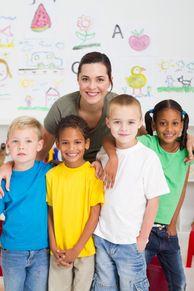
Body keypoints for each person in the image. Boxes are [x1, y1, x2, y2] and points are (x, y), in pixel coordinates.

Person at [91, 94, 169, 291]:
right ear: (108, 122)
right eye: (117, 122)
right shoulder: (106, 152)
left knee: (132, 286)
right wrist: (97, 163)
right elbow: (99, 165)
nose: (124, 128)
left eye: (130, 122)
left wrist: (143, 237)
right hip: (102, 236)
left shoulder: (148, 158)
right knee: (103, 286)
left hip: (129, 241)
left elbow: (153, 201)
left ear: (140, 123)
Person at [138, 99, 193, 291]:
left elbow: (182, 188)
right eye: (162, 123)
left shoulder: (187, 151)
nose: (169, 128)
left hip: (168, 232)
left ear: (182, 125)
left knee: (179, 283)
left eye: (175, 123)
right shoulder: (148, 143)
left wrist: (172, 223)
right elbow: (122, 134)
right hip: (144, 230)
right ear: (154, 125)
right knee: (138, 281)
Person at [46, 115, 104, 291]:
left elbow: (94, 216)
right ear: (57, 144)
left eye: (77, 142)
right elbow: (50, 213)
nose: (71, 148)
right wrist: (54, 246)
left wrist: (75, 250)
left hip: (84, 251)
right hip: (58, 252)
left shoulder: (93, 175)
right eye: (65, 142)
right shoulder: (52, 175)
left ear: (86, 143)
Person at [0, 116, 52, 291]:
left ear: (39, 145)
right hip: (13, 252)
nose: (21, 146)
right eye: (15, 141)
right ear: (8, 145)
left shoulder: (49, 172)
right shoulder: (3, 180)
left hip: (42, 251)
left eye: (28, 141)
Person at [40, 51, 117, 163]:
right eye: (85, 79)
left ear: (110, 81)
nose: (92, 86)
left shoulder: (120, 106)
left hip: (109, 174)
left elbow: (146, 144)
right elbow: (38, 154)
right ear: (78, 79)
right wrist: (11, 166)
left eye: (100, 79)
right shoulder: (61, 108)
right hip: (72, 174)